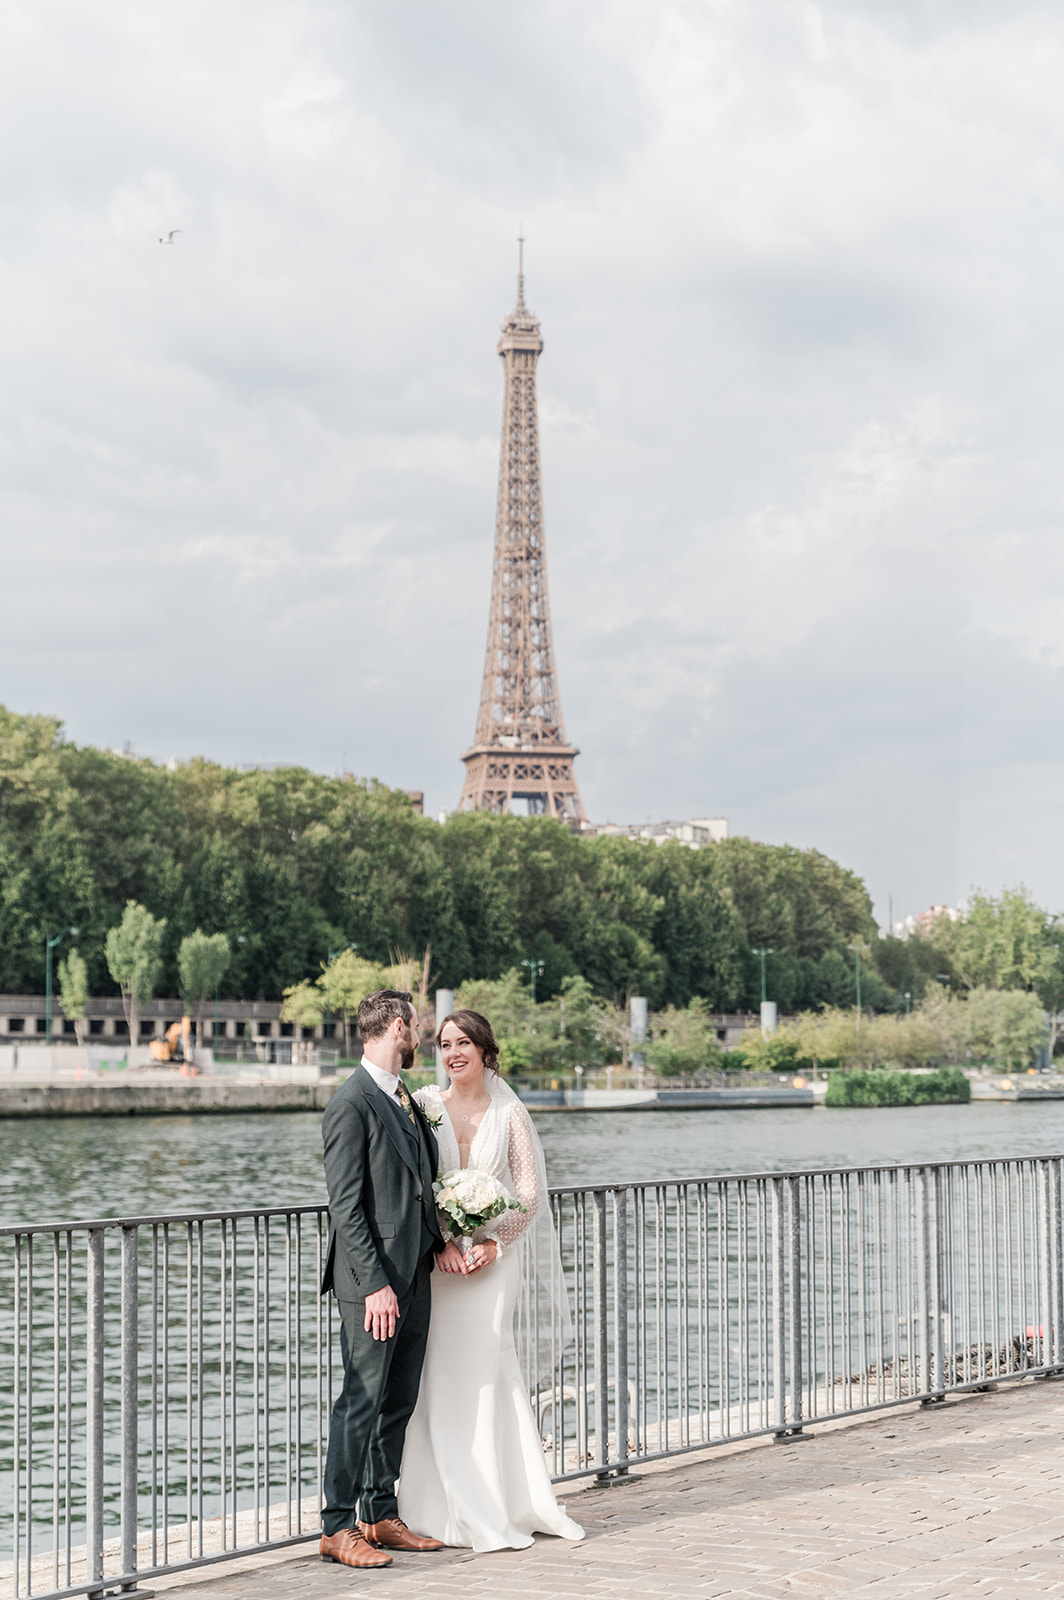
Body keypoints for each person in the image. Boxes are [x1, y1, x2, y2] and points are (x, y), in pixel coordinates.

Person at [400, 1008, 584, 1552]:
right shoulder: (427, 1108)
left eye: (463, 1043)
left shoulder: (512, 1114)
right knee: (438, 1379)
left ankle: (502, 1501)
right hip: (440, 1267)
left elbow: (527, 1196)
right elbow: (417, 1184)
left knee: (488, 1375)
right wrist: (443, 1242)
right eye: (444, 1044)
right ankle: (435, 1505)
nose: (452, 1052)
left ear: (484, 1050)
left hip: (491, 1268)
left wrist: (490, 1242)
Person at [319, 989, 465, 1569]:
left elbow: (418, 1188)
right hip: (370, 1285)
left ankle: (380, 1513)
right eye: (415, 1028)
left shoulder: (403, 1096)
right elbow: (346, 1208)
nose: (418, 1037)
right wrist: (376, 1283)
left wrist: (442, 1240)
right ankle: (336, 1525)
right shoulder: (350, 1103)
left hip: (415, 1275)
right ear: (398, 1026)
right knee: (361, 1400)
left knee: (398, 1401)